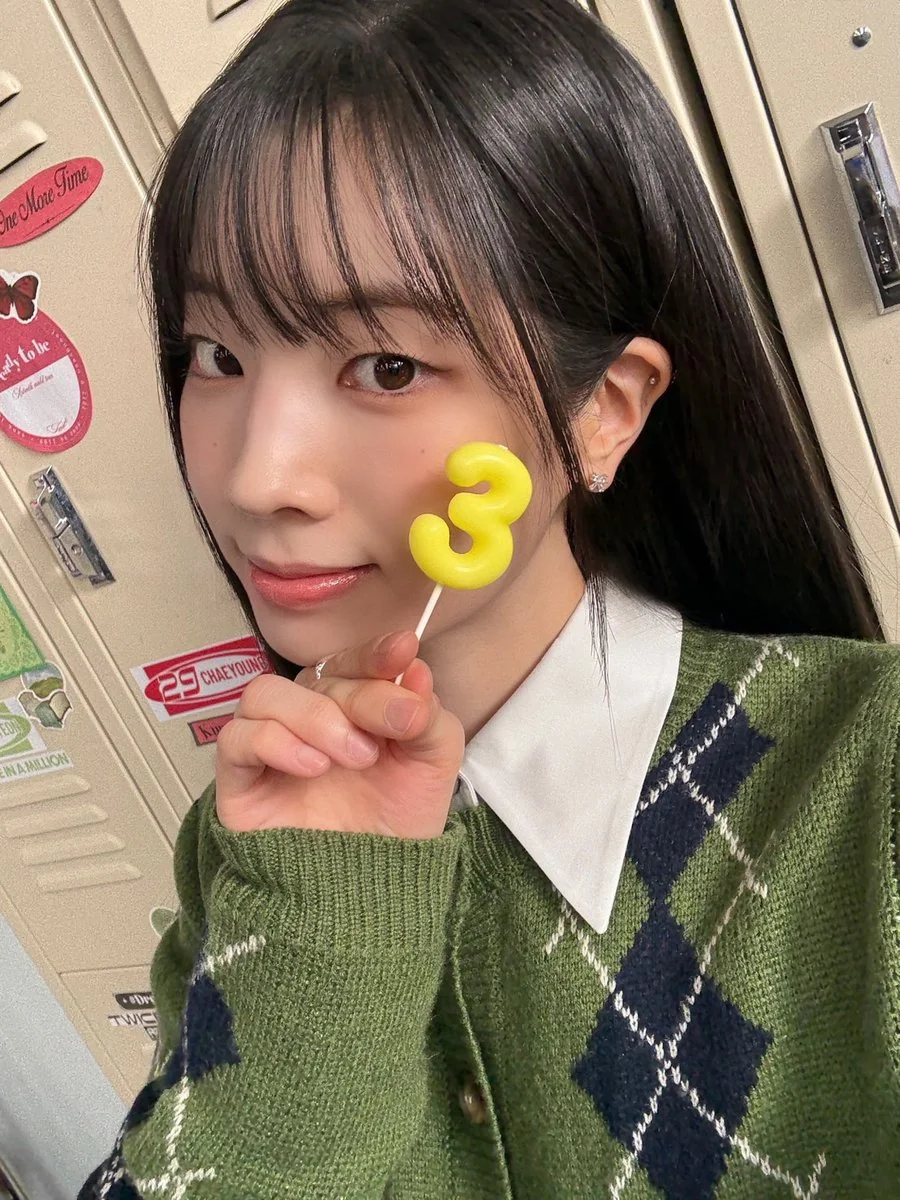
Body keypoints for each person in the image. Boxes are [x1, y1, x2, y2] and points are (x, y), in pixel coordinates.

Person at [80, 0, 900, 1195]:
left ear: (602, 412)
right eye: (217, 355)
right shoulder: (252, 838)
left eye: (387, 367)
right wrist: (317, 948)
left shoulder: (868, 780)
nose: (256, 478)